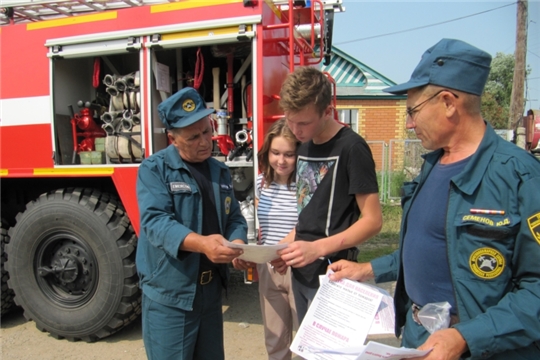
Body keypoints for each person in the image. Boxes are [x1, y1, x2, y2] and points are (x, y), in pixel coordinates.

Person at [328, 38, 540, 360]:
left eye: (413, 111)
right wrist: (366, 269)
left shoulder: (520, 176)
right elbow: (426, 247)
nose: (409, 123)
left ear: (449, 103)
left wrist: (465, 336)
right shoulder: (430, 168)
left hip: (480, 349)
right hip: (419, 340)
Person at [136, 87, 249, 360]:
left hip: (209, 294)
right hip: (170, 294)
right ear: (173, 139)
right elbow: (156, 222)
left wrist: (237, 242)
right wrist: (203, 244)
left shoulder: (219, 171)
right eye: (193, 137)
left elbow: (233, 217)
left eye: (207, 132)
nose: (204, 142)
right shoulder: (154, 169)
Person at [274, 66, 383, 325]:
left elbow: (373, 221)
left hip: (334, 274)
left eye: (304, 122)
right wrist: (282, 250)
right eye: (290, 120)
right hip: (301, 274)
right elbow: (308, 215)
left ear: (327, 111)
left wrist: (317, 249)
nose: (295, 129)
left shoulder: (352, 148)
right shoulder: (303, 148)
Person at [255, 119, 300, 360]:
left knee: (306, 340)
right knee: (275, 340)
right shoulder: (260, 184)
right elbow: (262, 225)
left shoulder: (307, 185)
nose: (281, 161)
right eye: (275, 153)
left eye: (289, 154)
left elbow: (309, 225)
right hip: (269, 267)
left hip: (298, 266)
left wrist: (283, 251)